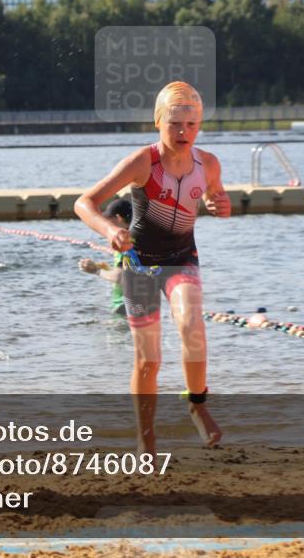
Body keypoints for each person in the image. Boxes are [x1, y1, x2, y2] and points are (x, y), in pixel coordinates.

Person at [75, 81, 231, 455]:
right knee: (149, 360)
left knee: (192, 326)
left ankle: (197, 404)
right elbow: (84, 203)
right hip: (139, 265)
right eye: (174, 124)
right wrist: (111, 229)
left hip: (182, 260)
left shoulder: (208, 163)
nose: (183, 132)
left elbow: (216, 195)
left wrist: (221, 205)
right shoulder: (143, 161)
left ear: (200, 125)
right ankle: (145, 435)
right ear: (158, 122)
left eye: (191, 125)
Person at [78, 198, 133, 318]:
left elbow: (119, 277)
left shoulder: (124, 244)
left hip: (124, 307)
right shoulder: (137, 238)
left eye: (109, 220)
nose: (107, 226)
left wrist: (96, 270)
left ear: (119, 218)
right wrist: (107, 269)